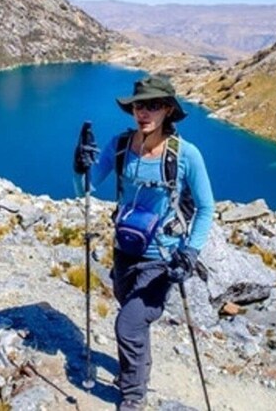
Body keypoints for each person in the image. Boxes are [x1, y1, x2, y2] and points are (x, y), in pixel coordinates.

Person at [73, 74, 215, 411]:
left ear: (167, 110)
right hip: (125, 250)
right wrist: (79, 164)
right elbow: (85, 189)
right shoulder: (121, 146)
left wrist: (190, 252)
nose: (144, 112)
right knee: (131, 318)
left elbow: (207, 207)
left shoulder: (186, 155)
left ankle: (133, 398)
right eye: (139, 105)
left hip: (162, 259)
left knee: (129, 323)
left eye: (153, 105)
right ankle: (136, 372)